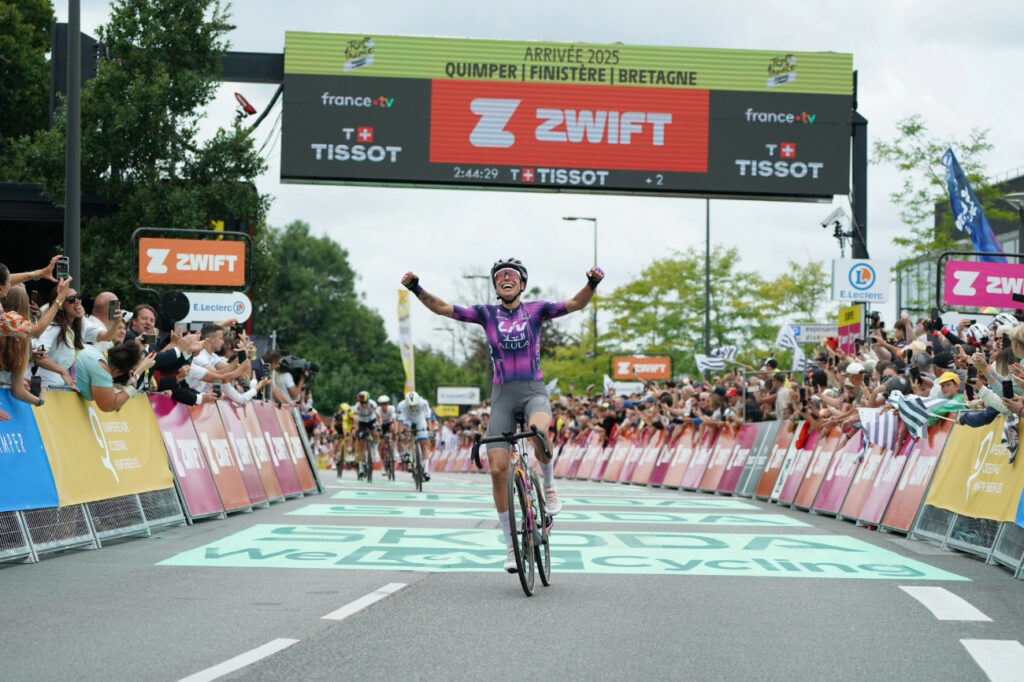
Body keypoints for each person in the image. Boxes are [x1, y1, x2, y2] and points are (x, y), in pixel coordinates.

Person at [401, 257, 603, 572]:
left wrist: (592, 283)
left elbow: (576, 303)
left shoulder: (537, 310)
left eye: (512, 276)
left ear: (522, 283)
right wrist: (416, 288)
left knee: (539, 432)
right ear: (496, 285)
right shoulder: (486, 314)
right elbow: (444, 308)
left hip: (534, 391)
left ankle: (549, 486)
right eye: (500, 277)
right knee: (497, 469)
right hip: (502, 397)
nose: (505, 279)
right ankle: (510, 547)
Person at [76, 341, 156, 412]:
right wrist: (132, 386)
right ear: (118, 371)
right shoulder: (102, 370)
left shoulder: (94, 349)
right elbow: (109, 406)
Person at [396, 390, 432, 482]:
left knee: (424, 444)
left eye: (414, 406)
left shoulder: (423, 403)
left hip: (420, 419)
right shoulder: (401, 405)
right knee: (406, 433)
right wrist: (400, 434)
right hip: (407, 419)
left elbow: (428, 419)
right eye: (410, 407)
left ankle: (426, 470)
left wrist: (430, 431)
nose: (413, 408)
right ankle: (407, 452)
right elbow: (400, 423)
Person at [352, 390, 379, 479]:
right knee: (361, 443)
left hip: (372, 420)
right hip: (362, 422)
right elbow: (355, 423)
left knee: (375, 432)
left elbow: (379, 416)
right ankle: (360, 468)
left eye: (365, 403)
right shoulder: (356, 408)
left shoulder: (372, 404)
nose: (364, 405)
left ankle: (375, 450)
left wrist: (379, 425)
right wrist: (356, 431)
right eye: (362, 403)